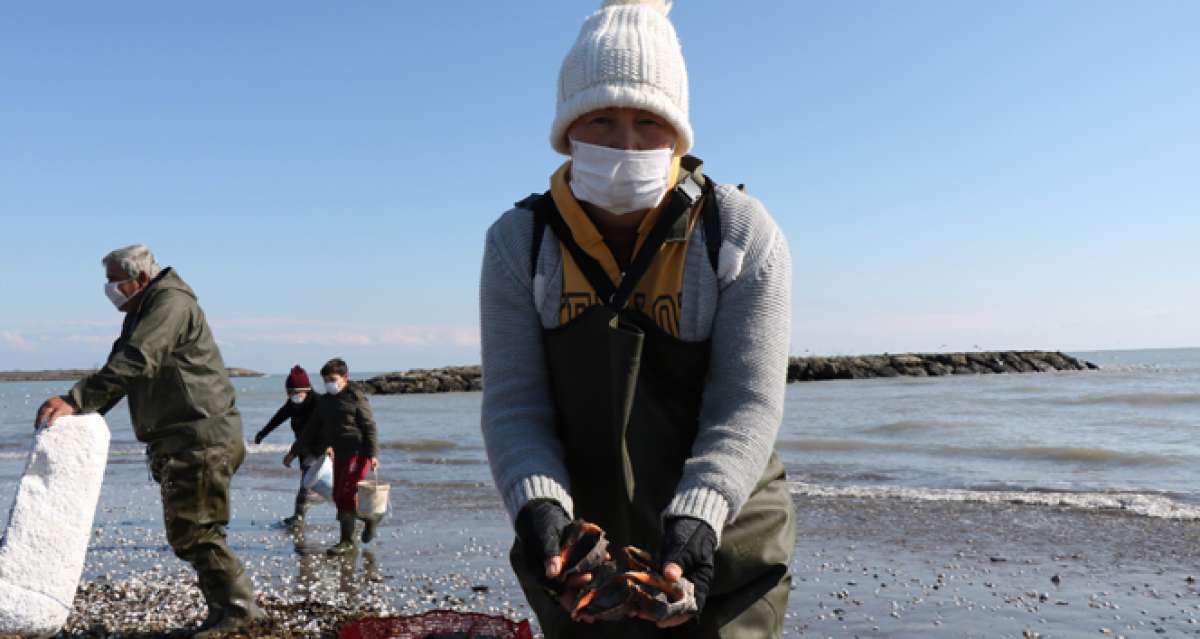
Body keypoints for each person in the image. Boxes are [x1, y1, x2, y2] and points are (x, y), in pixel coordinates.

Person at [479, 1, 796, 636]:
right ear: (567, 129)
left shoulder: (738, 233)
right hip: (582, 550)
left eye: (649, 122)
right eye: (601, 118)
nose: (626, 143)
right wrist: (538, 505)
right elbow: (516, 406)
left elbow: (746, 403)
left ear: (679, 134)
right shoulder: (521, 243)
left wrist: (701, 517)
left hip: (725, 530)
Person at [34, 244, 265, 637]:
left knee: (198, 531)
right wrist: (83, 412)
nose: (110, 291)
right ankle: (223, 614)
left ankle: (241, 614)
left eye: (114, 283)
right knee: (191, 532)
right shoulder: (146, 308)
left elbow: (138, 360)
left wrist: (76, 400)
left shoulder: (169, 303)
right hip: (183, 436)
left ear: (140, 279)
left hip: (200, 435)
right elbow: (122, 367)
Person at [297, 357, 381, 556]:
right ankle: (370, 519)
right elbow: (313, 427)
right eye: (326, 380)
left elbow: (370, 428)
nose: (329, 384)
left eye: (332, 379)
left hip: (359, 453)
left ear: (345, 377)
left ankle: (347, 542)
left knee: (346, 494)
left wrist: (373, 455)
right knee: (337, 496)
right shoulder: (326, 401)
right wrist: (296, 449)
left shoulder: (356, 398)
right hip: (340, 454)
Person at [254, 365, 322, 529]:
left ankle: (299, 517)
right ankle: (299, 516)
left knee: (309, 481)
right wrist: (263, 433)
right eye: (290, 393)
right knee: (308, 482)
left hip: (321, 446)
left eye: (297, 393)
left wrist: (292, 453)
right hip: (303, 447)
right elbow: (279, 417)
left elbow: (329, 427)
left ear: (307, 389)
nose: (294, 396)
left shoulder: (319, 403)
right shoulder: (292, 404)